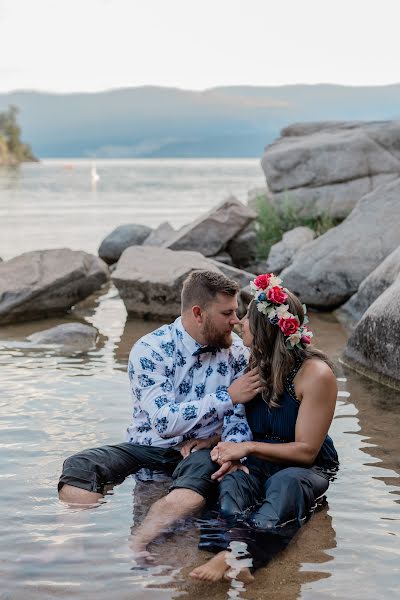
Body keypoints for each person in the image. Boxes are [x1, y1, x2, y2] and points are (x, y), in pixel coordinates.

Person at [58, 270, 261, 558]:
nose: (236, 321)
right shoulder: (151, 349)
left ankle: (136, 544)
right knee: (81, 465)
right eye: (227, 313)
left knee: (202, 474)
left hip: (198, 453)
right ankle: (70, 539)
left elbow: (239, 419)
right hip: (146, 447)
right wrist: (226, 396)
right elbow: (164, 422)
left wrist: (229, 448)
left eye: (236, 312)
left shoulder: (238, 354)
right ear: (198, 313)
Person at [190, 272, 339, 582]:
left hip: (304, 467)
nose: (239, 322)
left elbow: (307, 451)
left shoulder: (316, 374)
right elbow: (243, 421)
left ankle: (238, 553)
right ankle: (230, 552)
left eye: (247, 317)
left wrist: (247, 447)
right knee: (232, 482)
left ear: (267, 330)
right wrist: (217, 442)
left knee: (285, 485)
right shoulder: (255, 363)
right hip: (260, 458)